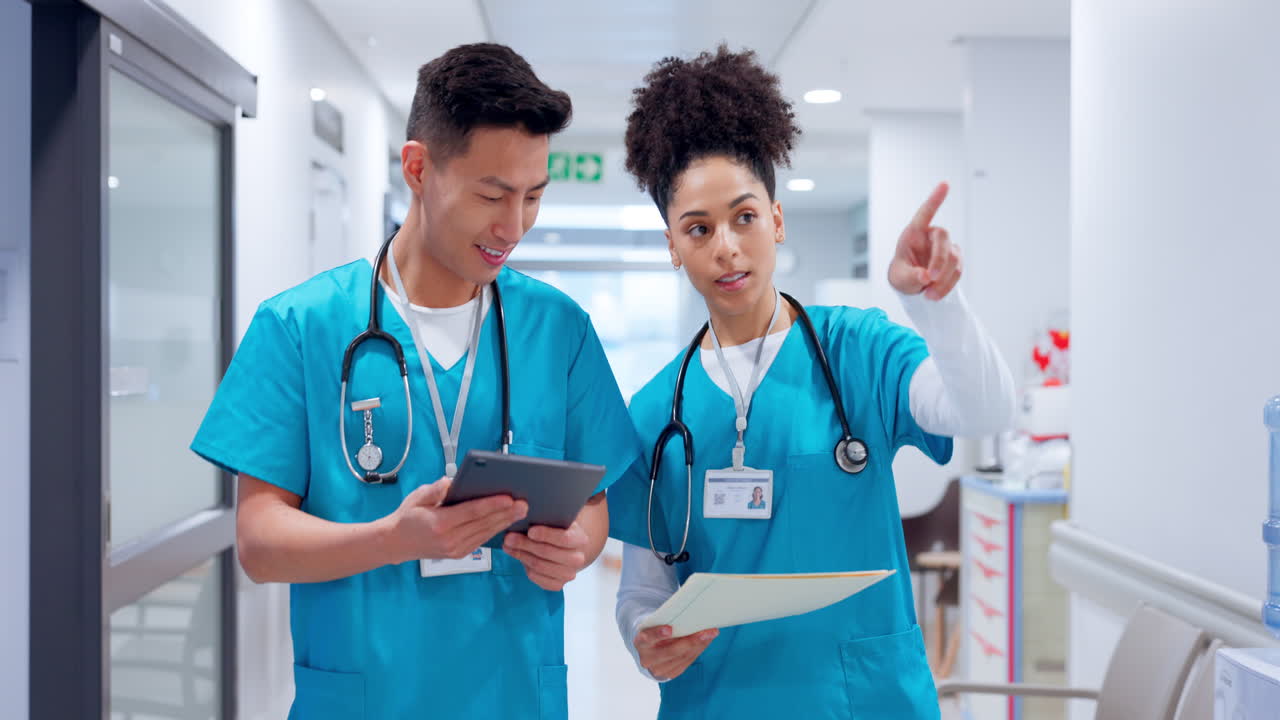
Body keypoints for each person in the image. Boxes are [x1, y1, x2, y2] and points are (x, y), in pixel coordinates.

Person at [190, 43, 640, 719]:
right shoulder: (300, 326)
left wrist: (579, 544)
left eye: (533, 197)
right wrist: (392, 539)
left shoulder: (559, 330)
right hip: (365, 697)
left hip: (515, 694)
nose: (512, 227)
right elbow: (258, 542)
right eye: (492, 194)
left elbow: (595, 503)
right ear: (419, 168)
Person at [606, 46, 1016, 718]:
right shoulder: (656, 409)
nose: (726, 247)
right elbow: (642, 590)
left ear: (776, 218)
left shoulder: (859, 351)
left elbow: (986, 410)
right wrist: (642, 639)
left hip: (865, 700)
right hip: (720, 701)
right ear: (672, 247)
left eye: (743, 217)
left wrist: (936, 305)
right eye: (698, 229)